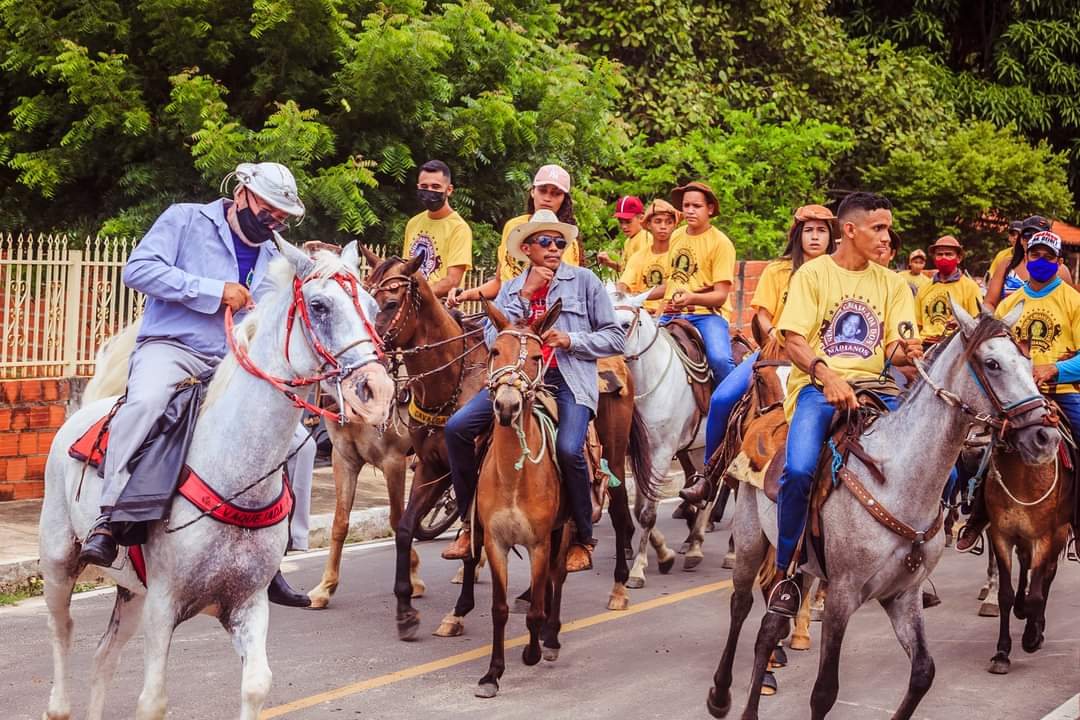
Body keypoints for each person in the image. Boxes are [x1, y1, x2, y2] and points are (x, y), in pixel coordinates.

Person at [77, 162, 317, 607]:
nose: (275, 220)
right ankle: (108, 522)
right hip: (171, 347)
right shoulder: (185, 219)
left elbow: (270, 319)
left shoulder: (272, 255)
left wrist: (311, 269)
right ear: (243, 193)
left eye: (283, 215)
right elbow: (139, 270)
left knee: (299, 442)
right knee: (145, 404)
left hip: (229, 363)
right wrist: (212, 291)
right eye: (269, 208)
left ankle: (277, 554)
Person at [442, 209, 624, 572]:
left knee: (570, 449)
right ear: (527, 248)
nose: (555, 248)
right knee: (456, 429)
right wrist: (525, 294)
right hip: (515, 382)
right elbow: (494, 340)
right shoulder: (511, 289)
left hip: (567, 381)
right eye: (546, 241)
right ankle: (469, 523)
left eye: (560, 242)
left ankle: (582, 538)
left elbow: (615, 336)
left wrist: (572, 340)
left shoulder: (584, 282)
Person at [767, 192, 922, 616]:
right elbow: (793, 339)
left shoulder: (893, 284)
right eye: (879, 228)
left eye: (888, 228)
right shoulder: (813, 275)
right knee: (798, 471)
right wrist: (828, 376)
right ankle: (787, 573)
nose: (886, 237)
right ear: (850, 230)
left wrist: (919, 352)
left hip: (877, 388)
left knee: (931, 459)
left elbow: (895, 348)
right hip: (818, 389)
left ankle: (914, 560)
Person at [680, 204, 837, 505]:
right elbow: (763, 315)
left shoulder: (838, 274)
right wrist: (780, 335)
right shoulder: (778, 270)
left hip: (822, 357)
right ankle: (709, 475)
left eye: (821, 231)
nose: (815, 237)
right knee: (723, 398)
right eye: (809, 231)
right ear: (797, 235)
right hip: (777, 349)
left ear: (831, 237)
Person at [958, 230, 1080, 554]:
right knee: (978, 447)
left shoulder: (1073, 301)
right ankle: (977, 517)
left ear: (1059, 261)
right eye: (1035, 256)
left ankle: (1077, 523)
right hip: (1015, 396)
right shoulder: (1010, 305)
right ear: (1026, 260)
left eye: (1048, 256)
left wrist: (1055, 368)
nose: (1041, 261)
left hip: (1062, 391)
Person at [449, 164, 583, 306]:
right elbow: (500, 282)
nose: (547, 198)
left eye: (556, 193)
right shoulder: (513, 227)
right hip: (507, 311)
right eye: (542, 191)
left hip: (545, 316)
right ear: (532, 192)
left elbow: (567, 293)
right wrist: (466, 294)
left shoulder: (566, 241)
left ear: (564, 199)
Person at [656, 181, 737, 383]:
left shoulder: (721, 243)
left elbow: (720, 295)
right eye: (686, 206)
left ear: (710, 209)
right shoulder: (676, 235)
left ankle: (735, 410)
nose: (690, 211)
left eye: (697, 206)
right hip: (670, 314)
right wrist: (636, 299)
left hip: (706, 316)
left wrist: (692, 297)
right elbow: (672, 281)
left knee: (720, 359)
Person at [402, 159, 473, 297]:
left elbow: (453, 280)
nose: (429, 191)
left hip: (439, 309)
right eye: (424, 186)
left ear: (449, 190)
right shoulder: (413, 223)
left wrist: (418, 295)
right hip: (409, 306)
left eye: (435, 187)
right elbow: (405, 268)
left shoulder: (459, 228)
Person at [985, 216, 1072, 309]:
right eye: (1027, 235)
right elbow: (989, 303)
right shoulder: (1006, 265)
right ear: (1021, 240)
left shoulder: (1061, 270)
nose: (1032, 240)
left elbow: (1070, 306)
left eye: (1038, 235)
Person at [914, 235, 982, 340]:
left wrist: (963, 322)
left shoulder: (971, 287)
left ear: (958, 258)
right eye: (939, 254)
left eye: (948, 254)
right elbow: (916, 323)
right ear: (934, 258)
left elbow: (978, 321)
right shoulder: (924, 287)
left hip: (955, 344)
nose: (943, 258)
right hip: (926, 342)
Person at [615, 199, 678, 311]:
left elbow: (672, 286)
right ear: (649, 224)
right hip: (640, 313)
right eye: (658, 221)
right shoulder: (637, 256)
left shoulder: (679, 255)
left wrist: (636, 296)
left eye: (668, 222)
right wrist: (621, 297)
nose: (663, 226)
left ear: (674, 225)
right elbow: (624, 282)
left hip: (669, 313)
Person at [598, 195, 652, 273]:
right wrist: (609, 263)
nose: (623, 226)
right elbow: (626, 269)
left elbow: (642, 272)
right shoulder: (628, 241)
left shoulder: (645, 238)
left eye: (628, 221)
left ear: (641, 218)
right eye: (621, 222)